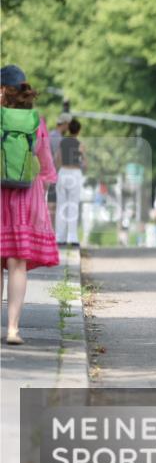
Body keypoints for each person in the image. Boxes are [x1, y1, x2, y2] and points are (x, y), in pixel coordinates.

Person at [0, 65, 59, 345]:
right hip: (26, 192)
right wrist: (46, 180)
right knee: (17, 263)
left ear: (2, 89)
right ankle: (13, 329)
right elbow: (45, 159)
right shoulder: (36, 120)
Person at [54, 118, 85, 246]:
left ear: (69, 129)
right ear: (78, 130)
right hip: (75, 173)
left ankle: (59, 237)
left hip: (63, 172)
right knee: (73, 205)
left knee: (61, 205)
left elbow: (58, 159)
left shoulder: (62, 142)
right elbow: (84, 162)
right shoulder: (80, 144)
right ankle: (72, 238)